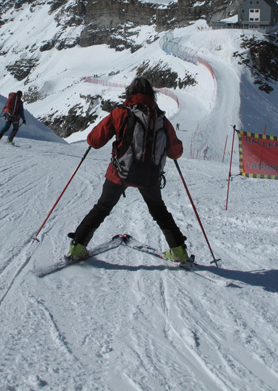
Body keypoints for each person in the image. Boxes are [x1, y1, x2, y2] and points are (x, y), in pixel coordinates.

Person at [66, 77, 189, 262]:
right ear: (152, 95)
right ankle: (179, 251)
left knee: (102, 207)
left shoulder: (120, 112)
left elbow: (95, 141)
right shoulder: (161, 118)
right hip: (150, 176)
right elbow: (176, 152)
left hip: (119, 173)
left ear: (129, 93)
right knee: (159, 210)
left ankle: (77, 247)